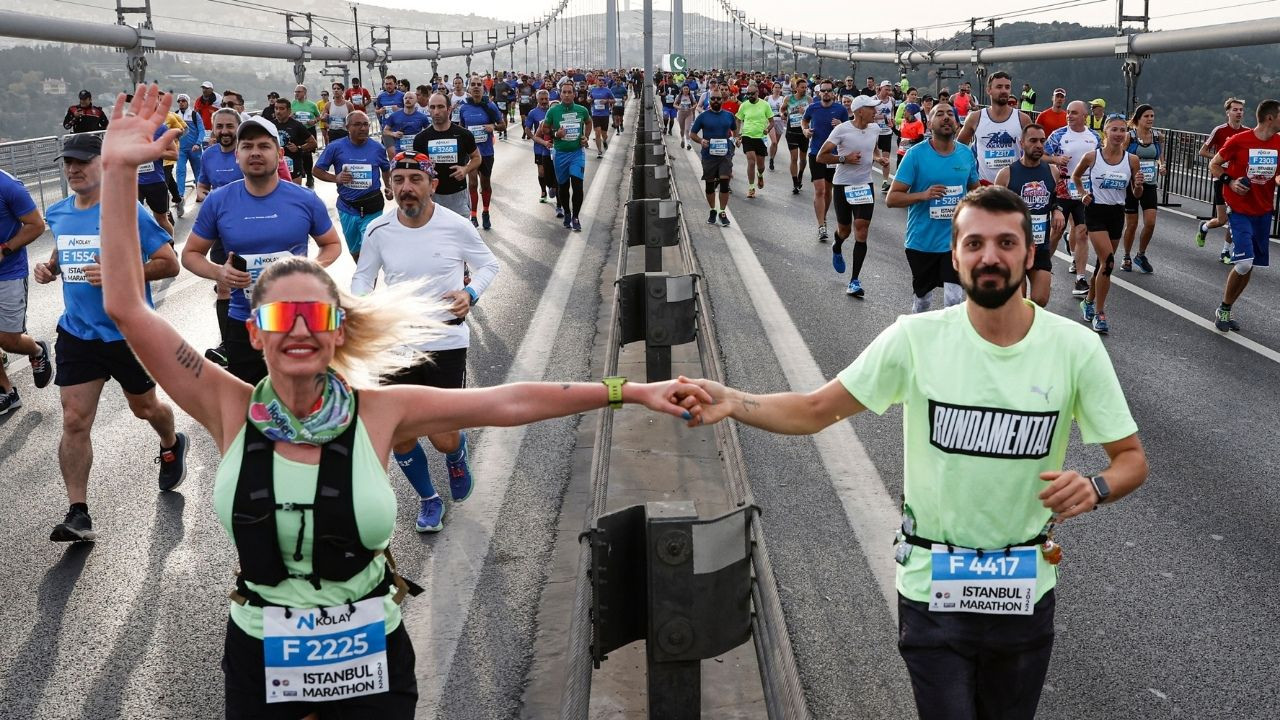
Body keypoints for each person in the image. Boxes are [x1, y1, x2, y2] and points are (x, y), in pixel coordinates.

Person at [96, 84, 708, 717]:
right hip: (261, 655)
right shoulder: (226, 406)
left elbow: (508, 402)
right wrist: (118, 172)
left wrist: (628, 389)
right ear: (256, 331)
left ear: (337, 329)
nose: (300, 329)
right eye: (282, 315)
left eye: (316, 314)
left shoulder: (378, 410)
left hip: (370, 658)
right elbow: (126, 306)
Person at [680, 185, 1147, 720]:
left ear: (1029, 253)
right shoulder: (915, 339)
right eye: (974, 244)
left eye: (1004, 243)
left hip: (1024, 589)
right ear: (954, 256)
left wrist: (1095, 486)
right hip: (932, 588)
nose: (989, 256)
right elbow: (814, 409)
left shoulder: (1075, 349)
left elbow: (1131, 459)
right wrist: (733, 400)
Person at [34, 131, 186, 542]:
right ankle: (78, 513)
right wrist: (51, 269)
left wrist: (121, 274)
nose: (73, 169)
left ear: (102, 165)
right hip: (78, 333)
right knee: (74, 419)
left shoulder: (128, 212)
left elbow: (168, 264)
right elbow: (67, 253)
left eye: (81, 161)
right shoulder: (61, 213)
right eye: (67, 163)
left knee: (146, 408)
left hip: (128, 333)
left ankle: (172, 441)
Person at [352, 151, 499, 531]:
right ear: (390, 186)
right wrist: (361, 311)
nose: (405, 187)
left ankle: (456, 453)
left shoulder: (456, 225)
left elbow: (489, 265)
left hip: (445, 339)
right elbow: (362, 280)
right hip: (394, 343)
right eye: (398, 180)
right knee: (399, 433)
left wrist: (471, 294)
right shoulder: (377, 230)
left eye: (415, 179)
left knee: (443, 438)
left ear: (432, 185)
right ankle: (428, 499)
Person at [182, 115, 343, 384]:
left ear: (279, 153)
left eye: (264, 146)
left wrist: (312, 269)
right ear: (237, 155)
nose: (255, 152)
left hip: (300, 320)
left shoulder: (304, 199)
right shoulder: (218, 201)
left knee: (302, 406)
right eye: (247, 146)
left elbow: (332, 244)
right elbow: (190, 254)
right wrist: (219, 273)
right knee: (249, 406)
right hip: (244, 321)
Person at [886, 102, 980, 313]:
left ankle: (949, 344)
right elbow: (892, 199)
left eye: (950, 114)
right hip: (922, 242)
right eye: (940, 114)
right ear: (929, 124)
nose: (946, 117)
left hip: (955, 242)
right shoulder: (915, 155)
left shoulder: (965, 154)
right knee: (923, 301)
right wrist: (924, 195)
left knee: (954, 299)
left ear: (957, 123)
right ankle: (920, 338)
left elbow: (975, 192)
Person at [1209, 99, 1280, 333]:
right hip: (1239, 210)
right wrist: (1230, 180)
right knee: (1244, 263)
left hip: (1263, 211)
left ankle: (1227, 308)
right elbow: (1215, 164)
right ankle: (1223, 308)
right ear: (1270, 118)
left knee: (1249, 266)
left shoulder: (1279, 143)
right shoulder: (1239, 140)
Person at [1072, 114, 1143, 334]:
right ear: (1105, 132)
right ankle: (1100, 313)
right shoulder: (1092, 157)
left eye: (1122, 130)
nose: (1119, 134)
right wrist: (1083, 193)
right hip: (1095, 212)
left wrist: (1139, 185)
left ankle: (1089, 302)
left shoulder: (1132, 160)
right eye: (1114, 129)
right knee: (1109, 262)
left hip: (1116, 213)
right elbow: (1076, 177)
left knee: (1105, 265)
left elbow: (1135, 193)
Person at [816, 95, 888, 298]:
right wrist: (844, 158)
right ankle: (837, 246)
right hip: (843, 185)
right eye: (872, 109)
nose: (876, 112)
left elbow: (872, 149)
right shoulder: (842, 130)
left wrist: (878, 159)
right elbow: (822, 156)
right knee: (845, 230)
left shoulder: (874, 129)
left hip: (864, 185)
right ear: (859, 111)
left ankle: (854, 280)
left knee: (862, 229)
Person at [0, 169, 52, 414]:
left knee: (8, 340)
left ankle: (37, 349)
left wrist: (4, 249)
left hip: (8, 273)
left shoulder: (8, 186)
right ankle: (7, 392)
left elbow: (36, 225)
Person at [995, 124, 1064, 307]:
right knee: (1018, 302)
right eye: (1033, 141)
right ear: (1022, 143)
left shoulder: (1052, 171)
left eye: (1042, 141)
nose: (1039, 145)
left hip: (1039, 247)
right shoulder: (1006, 174)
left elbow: (1054, 197)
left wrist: (1057, 209)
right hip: (1013, 249)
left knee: (1040, 300)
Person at [313, 111, 393, 263]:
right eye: (357, 124)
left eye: (365, 124)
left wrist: (388, 186)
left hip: (372, 207)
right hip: (347, 207)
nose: (363, 128)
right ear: (347, 127)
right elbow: (316, 171)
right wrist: (336, 178)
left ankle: (368, 282)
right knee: (356, 251)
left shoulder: (377, 148)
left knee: (370, 251)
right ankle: (363, 275)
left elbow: (385, 168)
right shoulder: (335, 147)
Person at [1044, 101, 1102, 297]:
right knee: (1056, 232)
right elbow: (1041, 155)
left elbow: (1102, 159)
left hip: (1084, 190)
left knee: (1083, 233)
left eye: (1074, 113)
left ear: (1085, 115)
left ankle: (1080, 278)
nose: (1069, 115)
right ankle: (1044, 267)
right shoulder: (1059, 135)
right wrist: (1055, 160)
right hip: (1062, 189)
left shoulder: (1094, 137)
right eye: (1068, 112)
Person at [414, 93, 483, 221]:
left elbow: (477, 157)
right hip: (432, 197)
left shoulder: (464, 134)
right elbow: (416, 169)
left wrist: (465, 169)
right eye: (432, 107)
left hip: (457, 196)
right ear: (428, 109)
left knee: (459, 239)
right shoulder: (420, 139)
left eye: (440, 107)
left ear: (449, 109)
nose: (436, 111)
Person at [1195, 98, 1249, 260]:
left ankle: (1226, 251)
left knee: (1235, 216)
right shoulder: (1220, 130)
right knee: (1221, 220)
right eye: (1235, 110)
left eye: (1240, 110)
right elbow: (1202, 152)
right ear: (1228, 113)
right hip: (1221, 178)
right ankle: (1204, 227)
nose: (1238, 112)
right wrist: (1220, 158)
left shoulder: (1247, 132)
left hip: (1238, 180)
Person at [958, 71, 1031, 186]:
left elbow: (1033, 151)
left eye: (1007, 87)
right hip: (984, 185)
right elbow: (959, 148)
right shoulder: (975, 118)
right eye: (999, 87)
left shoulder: (1023, 119)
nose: (1004, 90)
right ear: (989, 90)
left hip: (1014, 184)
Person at [538, 80, 591, 232]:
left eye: (570, 92)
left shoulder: (582, 110)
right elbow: (545, 129)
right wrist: (556, 134)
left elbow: (588, 122)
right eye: (564, 92)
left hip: (576, 153)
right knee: (563, 186)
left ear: (574, 94)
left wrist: (586, 137)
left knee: (578, 185)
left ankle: (575, 216)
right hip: (560, 154)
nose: (567, 95)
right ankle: (567, 212)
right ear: (560, 94)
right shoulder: (553, 111)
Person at [803, 80, 850, 242]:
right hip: (816, 154)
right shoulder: (812, 107)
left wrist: (841, 124)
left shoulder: (840, 109)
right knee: (820, 190)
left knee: (828, 191)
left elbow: (850, 128)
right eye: (823, 90)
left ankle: (823, 217)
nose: (826, 93)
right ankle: (821, 224)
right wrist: (806, 131)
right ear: (819, 93)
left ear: (833, 93)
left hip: (833, 156)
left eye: (829, 91)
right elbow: (804, 121)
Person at [457, 78, 506, 230]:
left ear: (483, 89)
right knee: (472, 183)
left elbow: (502, 125)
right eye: (473, 85)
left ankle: (485, 212)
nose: (476, 87)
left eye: (479, 85)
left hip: (486, 152)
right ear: (469, 89)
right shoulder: (464, 108)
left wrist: (493, 127)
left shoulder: (490, 106)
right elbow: (461, 129)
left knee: (485, 184)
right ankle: (473, 215)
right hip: (471, 153)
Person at [1120, 104, 1163, 273]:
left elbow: (1160, 156)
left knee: (1150, 223)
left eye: (1152, 116)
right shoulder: (1129, 137)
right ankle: (1127, 256)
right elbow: (1121, 157)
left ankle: (1141, 254)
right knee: (1131, 224)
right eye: (1146, 116)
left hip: (1150, 184)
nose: (1150, 119)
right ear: (1138, 119)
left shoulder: (1158, 136)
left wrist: (1162, 165)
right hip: (1132, 184)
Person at [688, 87, 737, 228]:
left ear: (722, 100)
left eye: (718, 98)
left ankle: (722, 212)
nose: (716, 101)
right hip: (709, 155)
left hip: (725, 155)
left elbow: (734, 129)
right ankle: (712, 210)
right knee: (710, 185)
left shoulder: (728, 115)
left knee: (724, 182)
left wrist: (736, 138)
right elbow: (693, 134)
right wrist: (701, 141)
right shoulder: (703, 116)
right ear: (709, 100)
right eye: (713, 98)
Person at [735, 82, 772, 199]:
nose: (749, 96)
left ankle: (760, 175)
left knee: (761, 166)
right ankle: (751, 187)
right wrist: (737, 135)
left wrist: (767, 129)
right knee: (751, 162)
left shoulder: (765, 105)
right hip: (747, 136)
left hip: (761, 137)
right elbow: (738, 120)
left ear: (757, 93)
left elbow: (772, 122)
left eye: (751, 94)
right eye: (747, 94)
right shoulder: (744, 105)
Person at [525, 90, 559, 208]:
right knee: (542, 171)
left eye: (546, 99)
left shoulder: (555, 110)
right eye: (542, 99)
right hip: (540, 147)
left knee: (554, 171)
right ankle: (543, 191)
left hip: (556, 147)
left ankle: (553, 188)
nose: (544, 101)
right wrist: (536, 139)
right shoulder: (533, 113)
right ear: (537, 100)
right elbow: (527, 129)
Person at [270, 98, 316, 186]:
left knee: (295, 196)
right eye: (276, 108)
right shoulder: (270, 125)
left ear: (289, 111)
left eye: (282, 109)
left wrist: (298, 148)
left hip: (293, 167)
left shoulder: (297, 125)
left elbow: (313, 143)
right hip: (275, 167)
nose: (278, 111)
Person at [174, 94, 205, 213]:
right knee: (180, 171)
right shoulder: (175, 115)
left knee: (198, 172)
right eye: (179, 101)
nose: (181, 103)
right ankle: (180, 198)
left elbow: (201, 130)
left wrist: (198, 143)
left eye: (183, 101)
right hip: (181, 149)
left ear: (187, 102)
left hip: (194, 148)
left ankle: (200, 194)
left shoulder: (194, 114)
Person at [381, 91, 429, 162]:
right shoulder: (394, 116)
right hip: (399, 152)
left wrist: (421, 137)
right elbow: (385, 131)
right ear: (403, 100)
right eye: (405, 98)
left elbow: (428, 132)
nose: (408, 100)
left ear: (416, 101)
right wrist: (394, 134)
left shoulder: (422, 117)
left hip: (416, 151)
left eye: (411, 98)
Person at [783, 77, 812, 194]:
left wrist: (804, 113)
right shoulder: (788, 99)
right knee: (794, 158)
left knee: (803, 159)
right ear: (796, 88)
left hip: (804, 132)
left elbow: (813, 114)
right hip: (791, 132)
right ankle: (795, 182)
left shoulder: (809, 100)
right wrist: (783, 114)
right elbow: (782, 110)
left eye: (806, 87)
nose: (804, 89)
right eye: (802, 87)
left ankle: (800, 174)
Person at [872, 81, 897, 191]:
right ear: (880, 88)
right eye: (886, 89)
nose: (888, 91)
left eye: (889, 89)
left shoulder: (891, 100)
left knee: (886, 159)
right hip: (875, 132)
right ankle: (864, 179)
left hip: (886, 132)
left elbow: (891, 113)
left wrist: (892, 121)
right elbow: (870, 115)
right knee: (871, 157)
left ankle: (885, 182)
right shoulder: (873, 100)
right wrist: (882, 116)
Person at [587, 75, 614, 159]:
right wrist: (589, 100)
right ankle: (599, 151)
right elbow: (589, 99)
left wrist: (607, 101)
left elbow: (614, 100)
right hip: (596, 114)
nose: (601, 81)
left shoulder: (607, 90)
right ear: (596, 81)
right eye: (599, 80)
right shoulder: (593, 90)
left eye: (602, 80)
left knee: (604, 134)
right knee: (597, 132)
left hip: (605, 115)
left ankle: (605, 141)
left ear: (604, 82)